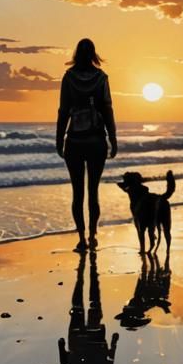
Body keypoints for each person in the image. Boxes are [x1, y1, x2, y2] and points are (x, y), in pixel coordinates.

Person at [56, 38, 117, 251]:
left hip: (74, 141)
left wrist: (58, 139)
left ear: (76, 54)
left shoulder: (69, 78)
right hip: (96, 141)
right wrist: (113, 137)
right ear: (93, 54)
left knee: (77, 193)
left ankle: (81, 239)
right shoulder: (101, 78)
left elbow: (63, 111)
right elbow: (108, 109)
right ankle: (92, 236)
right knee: (93, 192)